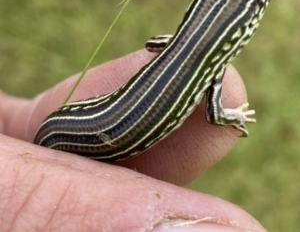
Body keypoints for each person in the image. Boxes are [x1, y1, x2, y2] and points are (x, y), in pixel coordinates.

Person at [0, 49, 266, 231]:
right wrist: (235, 117)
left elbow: (153, 44)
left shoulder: (173, 46)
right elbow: (215, 114)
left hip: (63, 126)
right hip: (83, 133)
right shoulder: (214, 71)